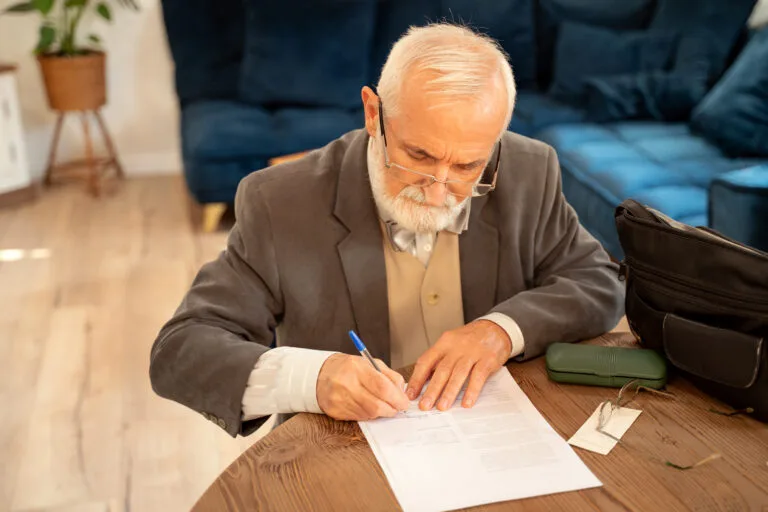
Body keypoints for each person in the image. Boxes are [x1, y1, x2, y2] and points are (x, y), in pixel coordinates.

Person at [150, 23, 624, 437]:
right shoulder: (279, 202)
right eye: (419, 156)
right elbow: (180, 350)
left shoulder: (529, 169)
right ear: (373, 113)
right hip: (343, 456)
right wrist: (313, 378)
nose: (440, 192)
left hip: (496, 439)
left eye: (467, 165)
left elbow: (599, 282)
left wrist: (499, 331)